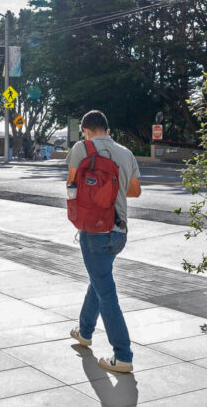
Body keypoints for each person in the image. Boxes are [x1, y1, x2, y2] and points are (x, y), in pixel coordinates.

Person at [66, 110, 142, 373]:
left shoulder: (81, 148)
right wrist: (113, 188)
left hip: (94, 231)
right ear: (107, 130)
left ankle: (123, 356)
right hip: (119, 231)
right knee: (99, 280)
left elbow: (71, 183)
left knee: (106, 291)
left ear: (86, 130)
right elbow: (135, 191)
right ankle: (85, 332)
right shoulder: (126, 152)